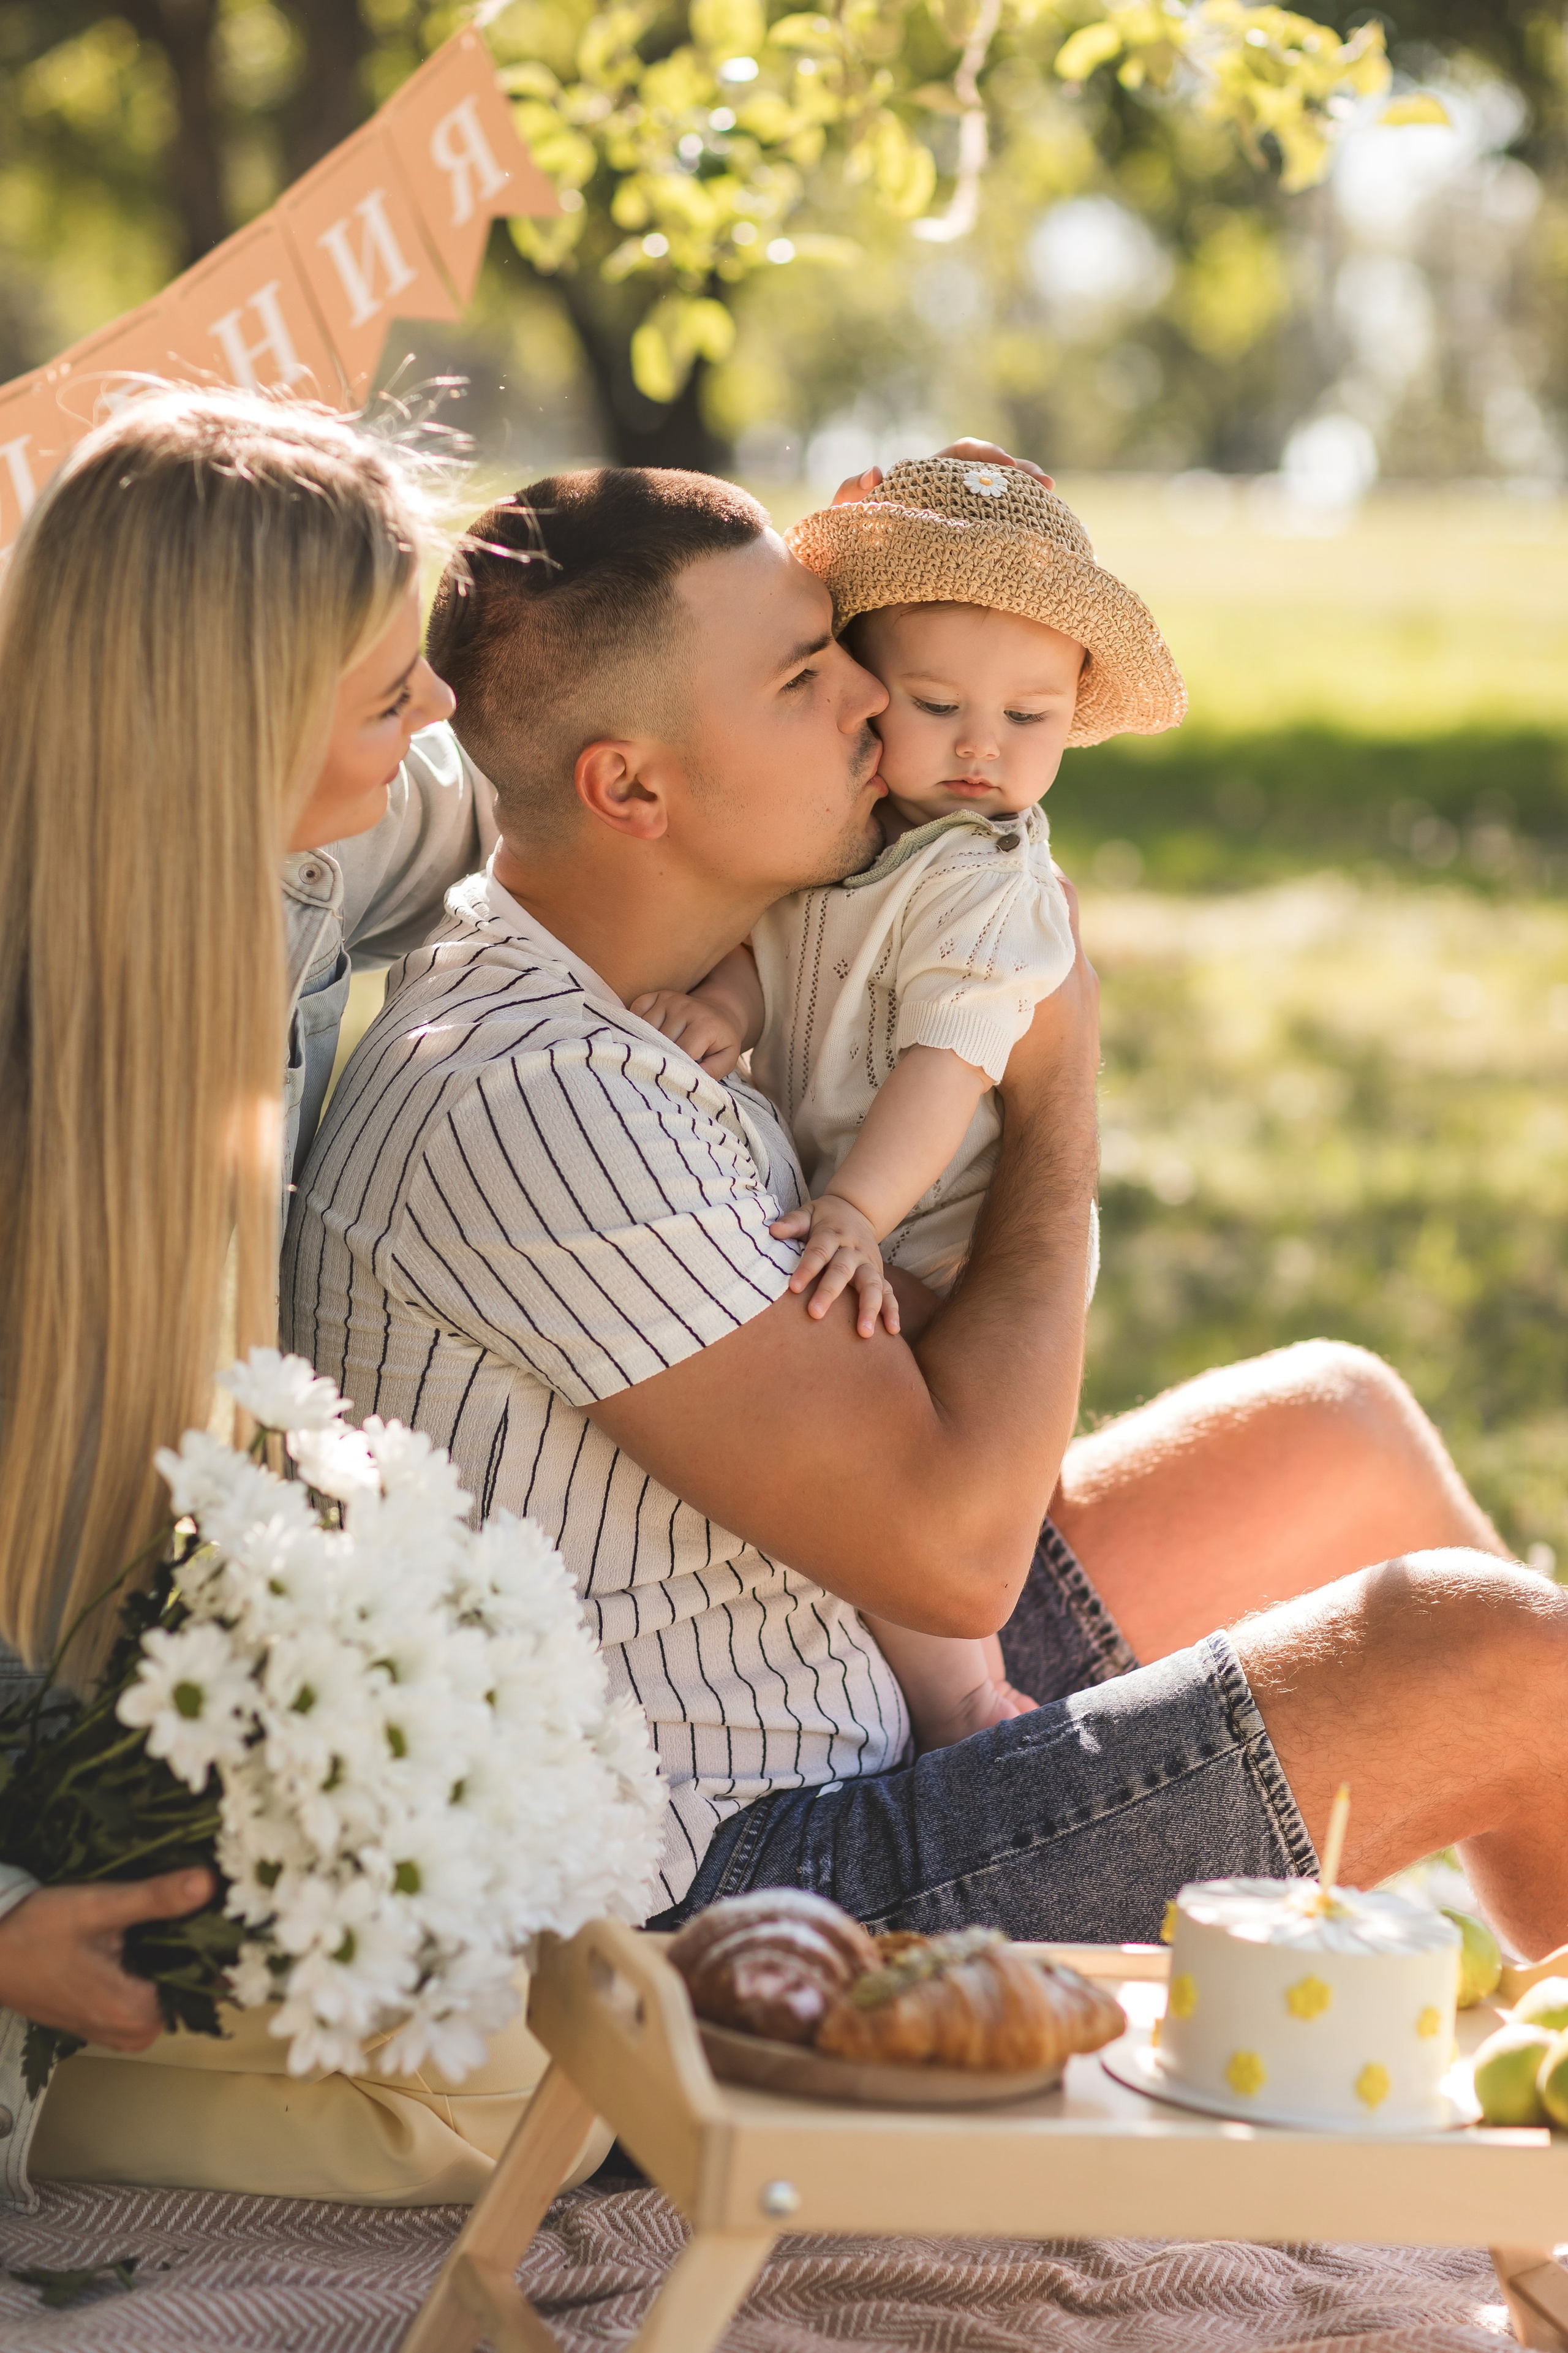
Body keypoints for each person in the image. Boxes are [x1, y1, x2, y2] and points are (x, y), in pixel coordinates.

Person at [285, 461, 1562, 1983]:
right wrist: (1055, 1074)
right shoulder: (541, 1098)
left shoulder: (641, 993)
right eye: (799, 677)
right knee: (1509, 1665)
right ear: (630, 787)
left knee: (1335, 1425)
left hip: (835, 1668)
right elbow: (957, 1561)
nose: (866, 709)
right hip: (737, 1883)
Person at [0, 384, 602, 2211]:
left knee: (528, 2062)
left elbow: (592, 807)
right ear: (227, 738)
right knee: (491, 2106)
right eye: (384, 693)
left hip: (120, 1708)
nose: (436, 716)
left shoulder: (310, 856)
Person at [627, 456, 1186, 1749]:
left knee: (901, 1438)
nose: (985, 747)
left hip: (933, 1220)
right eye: (938, 704)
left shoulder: (991, 885)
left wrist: (856, 1209)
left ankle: (960, 1691)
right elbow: (787, 956)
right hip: (863, 1196)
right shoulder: (855, 834)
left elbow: (946, 1062)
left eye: (1031, 719)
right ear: (868, 687)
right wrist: (724, 1011)